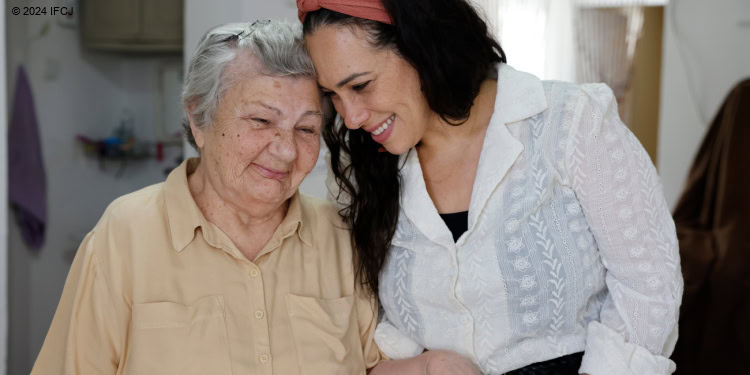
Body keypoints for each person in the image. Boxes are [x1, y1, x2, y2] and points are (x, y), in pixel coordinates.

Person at [297, 0, 684, 374]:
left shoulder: (571, 123)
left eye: (361, 86)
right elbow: (368, 328)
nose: (350, 118)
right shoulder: (360, 173)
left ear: (423, 47)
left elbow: (649, 287)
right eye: (333, 95)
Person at [31, 20, 381, 375]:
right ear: (199, 119)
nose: (287, 151)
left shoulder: (337, 234)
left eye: (306, 128)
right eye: (261, 120)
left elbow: (373, 365)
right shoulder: (124, 236)